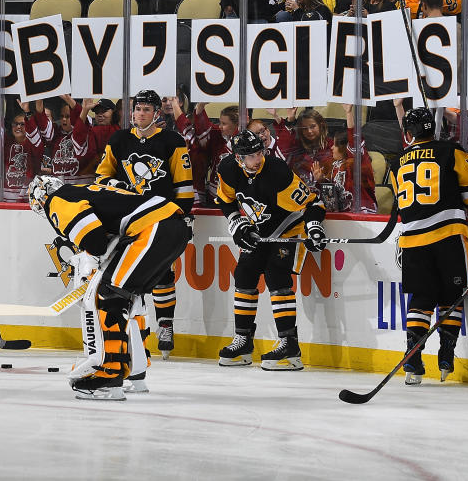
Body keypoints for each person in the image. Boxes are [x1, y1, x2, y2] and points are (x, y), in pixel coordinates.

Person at [27, 175, 189, 400]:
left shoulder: (58, 200)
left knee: (108, 295)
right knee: (129, 296)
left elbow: (94, 240)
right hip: (173, 224)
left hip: (152, 228)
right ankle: (136, 373)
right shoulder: (87, 190)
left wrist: (89, 256)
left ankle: (109, 375)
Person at [95, 90, 194, 362]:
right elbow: (102, 176)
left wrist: (183, 215)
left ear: (157, 113)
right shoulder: (119, 139)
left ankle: (165, 324)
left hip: (160, 218)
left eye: (147, 110)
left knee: (162, 275)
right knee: (127, 277)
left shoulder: (173, 141)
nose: (140, 114)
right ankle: (137, 333)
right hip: (126, 219)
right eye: (137, 109)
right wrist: (114, 187)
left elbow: (183, 185)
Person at [215, 131, 327, 369]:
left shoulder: (277, 172)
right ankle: (243, 341)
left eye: (259, 153)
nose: (256, 159)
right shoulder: (227, 169)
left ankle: (289, 344)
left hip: (287, 231)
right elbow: (225, 200)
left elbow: (312, 203)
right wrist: (237, 222)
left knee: (277, 278)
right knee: (244, 275)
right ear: (237, 158)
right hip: (260, 232)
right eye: (250, 156)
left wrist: (315, 228)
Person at [391, 108, 468, 385]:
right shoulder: (450, 151)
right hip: (447, 235)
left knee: (420, 299)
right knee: (450, 297)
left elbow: (399, 198)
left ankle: (413, 359)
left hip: (412, 240)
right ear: (435, 128)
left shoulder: (397, 162)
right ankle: (446, 355)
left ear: (408, 134)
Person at [41, 95, 98, 185]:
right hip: (58, 189)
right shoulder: (56, 134)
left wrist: (70, 100)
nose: (64, 119)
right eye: (62, 116)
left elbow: (80, 126)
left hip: (80, 189)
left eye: (68, 116)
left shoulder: (87, 133)